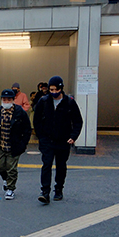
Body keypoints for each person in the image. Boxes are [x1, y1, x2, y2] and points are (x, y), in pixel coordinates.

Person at [33, 75, 83, 204]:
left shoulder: (69, 102)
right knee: (47, 164)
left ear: (61, 88)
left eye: (56, 90)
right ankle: (45, 192)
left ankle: (59, 189)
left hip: (63, 141)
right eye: (51, 90)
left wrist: (73, 137)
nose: (54, 93)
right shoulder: (43, 102)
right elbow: (36, 120)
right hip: (47, 140)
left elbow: (78, 121)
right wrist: (41, 136)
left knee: (61, 166)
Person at [0, 89, 32, 200]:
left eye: (9, 99)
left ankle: (10, 189)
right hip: (0, 145)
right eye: (4, 99)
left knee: (11, 168)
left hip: (14, 146)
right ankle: (6, 179)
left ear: (13, 100)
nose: (6, 101)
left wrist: (23, 144)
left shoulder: (20, 112)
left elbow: (27, 129)